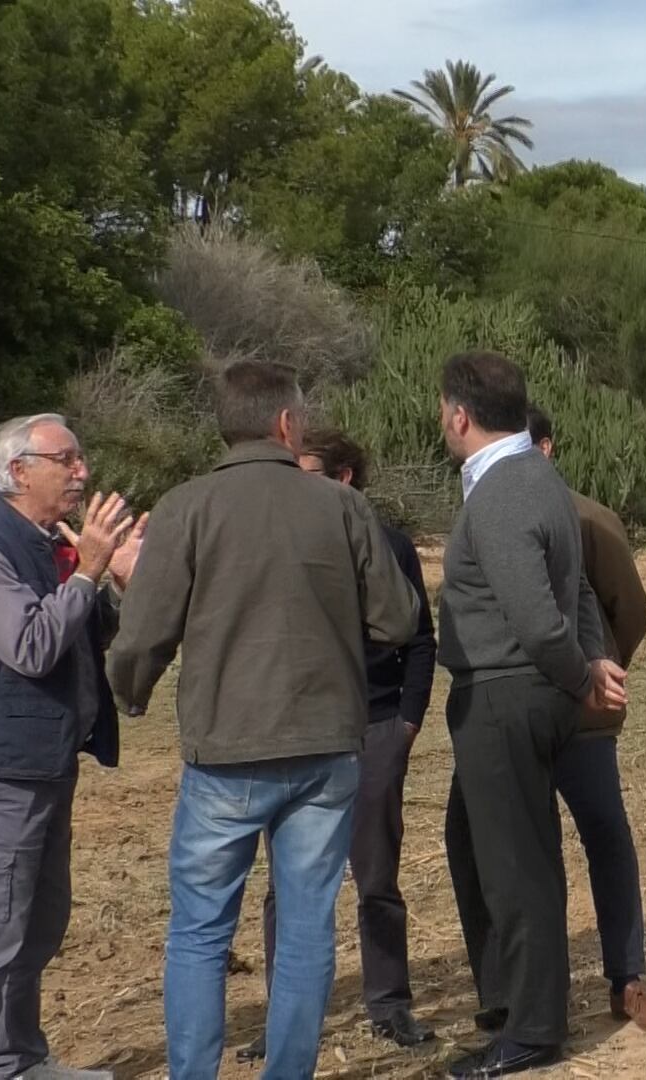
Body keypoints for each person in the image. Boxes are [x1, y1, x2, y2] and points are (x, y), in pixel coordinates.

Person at [108, 362, 419, 1080]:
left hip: (225, 751)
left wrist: (130, 691)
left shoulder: (186, 507)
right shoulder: (341, 509)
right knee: (308, 931)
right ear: (286, 424)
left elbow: (144, 634)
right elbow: (399, 618)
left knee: (199, 933)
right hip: (326, 748)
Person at [0, 415, 143, 1080]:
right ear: (19, 472)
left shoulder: (47, 546)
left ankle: (19, 1060)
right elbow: (31, 644)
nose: (82, 473)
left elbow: (86, 633)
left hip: (42, 764)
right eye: (66, 460)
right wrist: (90, 571)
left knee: (37, 924)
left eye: (81, 458)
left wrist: (124, 578)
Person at [435, 352, 628, 1078]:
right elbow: (575, 585)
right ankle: (512, 1000)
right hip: (522, 692)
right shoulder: (538, 477)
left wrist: (582, 674)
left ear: (460, 414)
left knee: (515, 868)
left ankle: (533, 1031)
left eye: (441, 410)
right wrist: (590, 660)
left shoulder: (504, 491)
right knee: (480, 843)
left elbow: (538, 620)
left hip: (507, 695)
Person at [238, 431, 439, 1063]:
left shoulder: (392, 546)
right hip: (301, 732)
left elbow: (421, 639)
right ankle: (286, 1015)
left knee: (376, 875)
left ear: (345, 477)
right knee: (287, 883)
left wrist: (407, 722)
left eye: (308, 473)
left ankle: (388, 1003)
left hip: (375, 727)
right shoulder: (282, 545)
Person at [523, 405, 646, 1037]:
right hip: (517, 716)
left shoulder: (590, 519)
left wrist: (604, 671)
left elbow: (632, 609)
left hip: (583, 719)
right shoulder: (485, 515)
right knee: (527, 852)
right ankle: (533, 993)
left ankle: (628, 980)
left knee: (606, 838)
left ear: (547, 448)